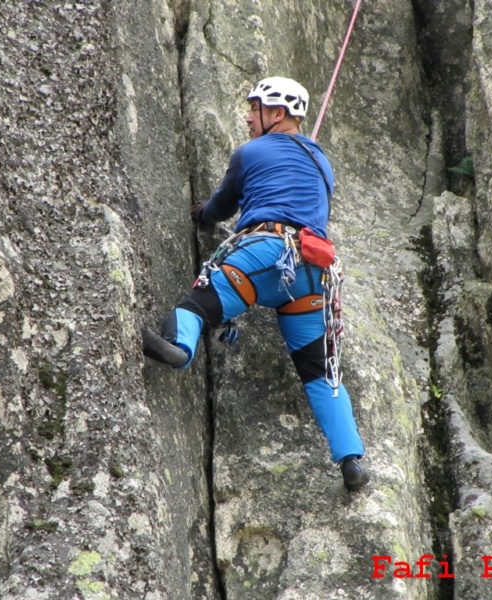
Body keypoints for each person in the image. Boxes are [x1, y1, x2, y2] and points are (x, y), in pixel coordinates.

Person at [142, 76, 369, 491]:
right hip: (314, 274)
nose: (248, 118)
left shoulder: (252, 151)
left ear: (277, 113)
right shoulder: (324, 164)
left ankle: (179, 349)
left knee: (199, 305)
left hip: (266, 254)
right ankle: (351, 459)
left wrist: (201, 213)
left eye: (255, 109)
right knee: (321, 371)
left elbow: (221, 206)